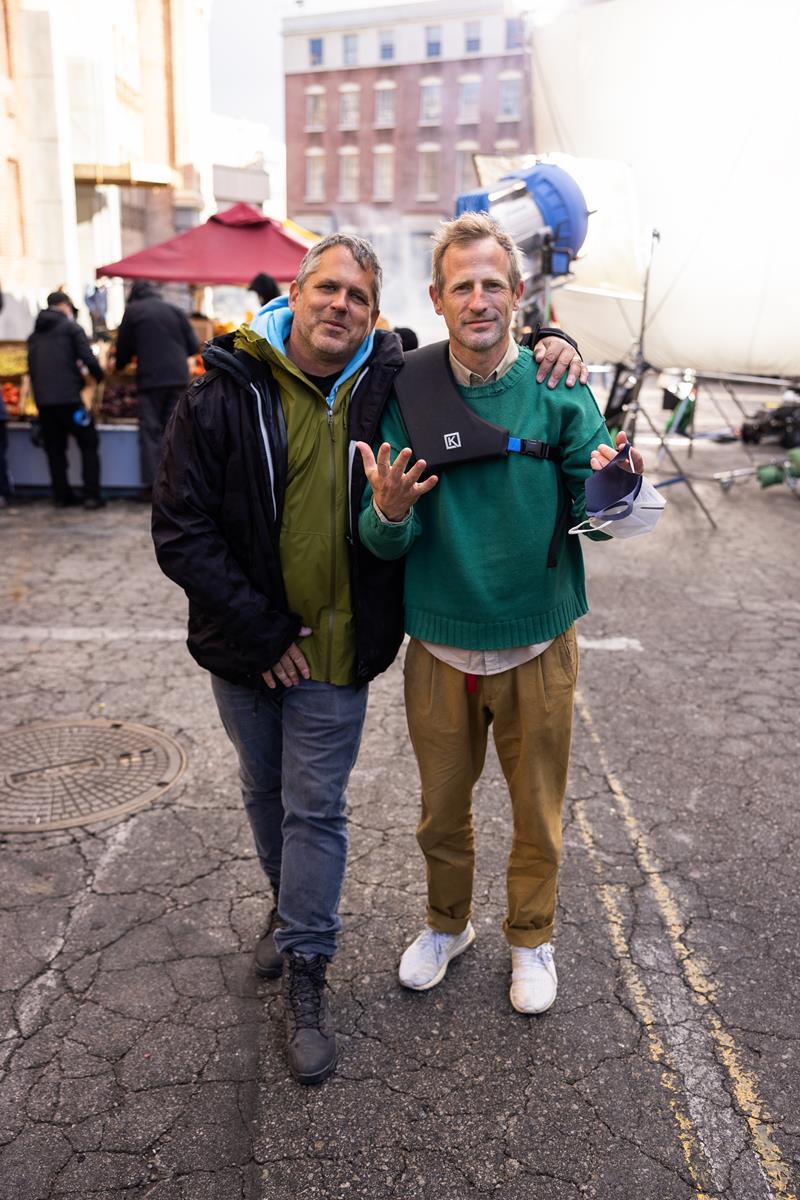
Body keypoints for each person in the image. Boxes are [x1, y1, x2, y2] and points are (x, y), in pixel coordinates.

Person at [151, 231, 586, 1086]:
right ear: (296, 293)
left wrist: (549, 345)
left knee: (322, 808)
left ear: (378, 312)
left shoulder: (391, 374)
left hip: (354, 646)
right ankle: (339, 917)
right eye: (327, 289)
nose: (339, 306)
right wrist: (261, 627)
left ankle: (317, 968)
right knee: (273, 792)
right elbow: (181, 526)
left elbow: (491, 353)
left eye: (356, 295)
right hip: (259, 645)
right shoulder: (227, 383)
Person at [357, 211, 645, 1018]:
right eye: (462, 286)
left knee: (538, 813)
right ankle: (449, 926)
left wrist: (613, 482)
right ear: (438, 300)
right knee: (439, 813)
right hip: (440, 644)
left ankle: (531, 938)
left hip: (540, 639)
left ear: (518, 295)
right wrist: (384, 514)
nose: (478, 299)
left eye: (493, 284)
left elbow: (601, 513)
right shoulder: (405, 391)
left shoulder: (559, 385)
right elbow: (385, 539)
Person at [114, 281, 199, 495]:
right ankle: (177, 483)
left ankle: (153, 487)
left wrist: (119, 366)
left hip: (150, 380)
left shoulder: (133, 311)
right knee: (175, 431)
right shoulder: (174, 310)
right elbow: (193, 346)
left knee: (151, 432)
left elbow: (122, 348)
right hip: (178, 378)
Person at [26, 291, 105, 509]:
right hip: (70, 400)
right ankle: (91, 495)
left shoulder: (35, 335)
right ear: (65, 306)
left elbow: (31, 370)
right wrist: (99, 376)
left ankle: (61, 496)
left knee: (54, 449)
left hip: (44, 402)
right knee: (88, 442)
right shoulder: (71, 328)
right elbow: (87, 358)